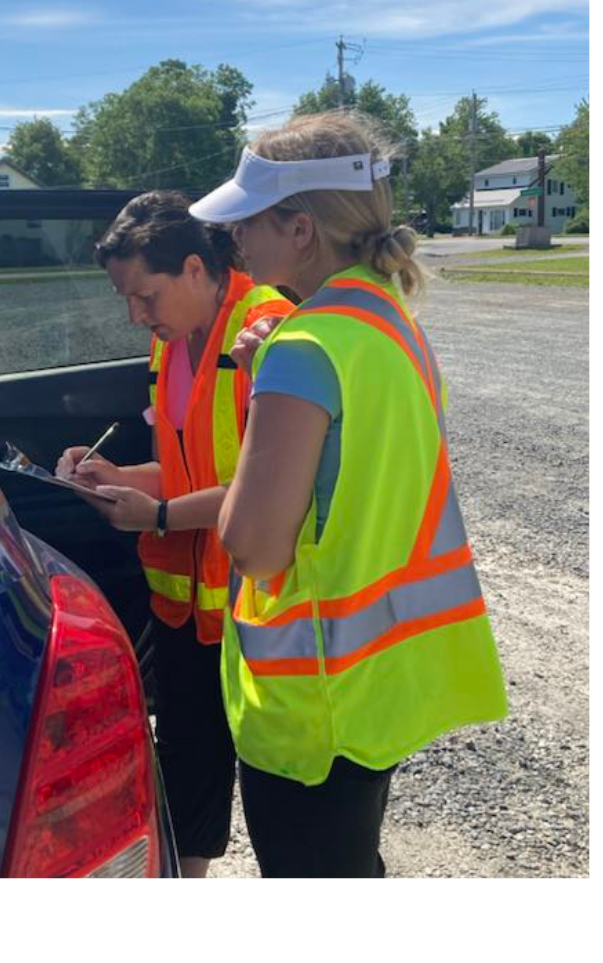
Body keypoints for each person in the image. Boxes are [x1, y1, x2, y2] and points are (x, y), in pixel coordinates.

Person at [189, 112, 508, 878]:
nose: (233, 238)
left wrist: (263, 390)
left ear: (301, 229)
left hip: (312, 705)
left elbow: (254, 546)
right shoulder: (387, 319)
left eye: (248, 220)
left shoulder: (301, 348)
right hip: (378, 686)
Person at [53, 190, 294, 878]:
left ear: (195, 268)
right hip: (187, 606)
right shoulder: (174, 344)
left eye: (146, 297)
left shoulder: (266, 331)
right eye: (127, 300)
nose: (136, 316)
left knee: (282, 785)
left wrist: (155, 517)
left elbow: (270, 487)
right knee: (188, 753)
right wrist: (117, 475)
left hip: (257, 603)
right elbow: (191, 468)